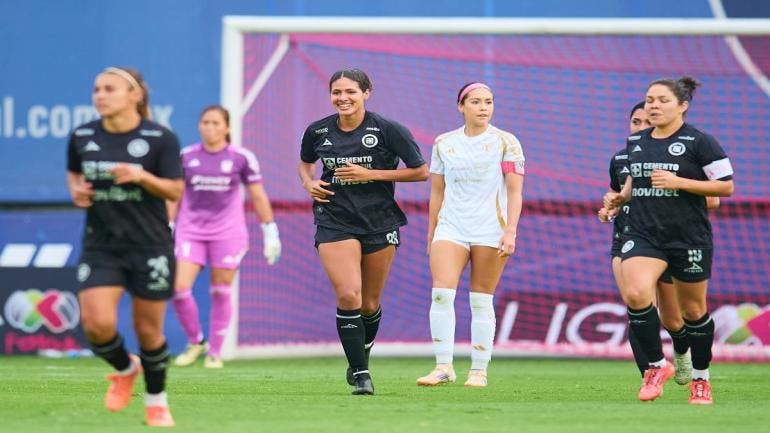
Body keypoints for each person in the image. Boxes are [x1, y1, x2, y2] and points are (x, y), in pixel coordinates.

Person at [298, 68, 429, 395]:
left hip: (380, 221)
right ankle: (361, 374)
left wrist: (371, 174)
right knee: (348, 295)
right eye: (337, 92)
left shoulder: (388, 130)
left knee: (369, 304)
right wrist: (308, 183)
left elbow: (421, 172)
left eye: (350, 92)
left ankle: (361, 352)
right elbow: (305, 163)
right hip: (334, 219)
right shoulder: (318, 131)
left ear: (366, 93)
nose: (343, 98)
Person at [604, 76, 734, 404]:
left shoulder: (700, 141)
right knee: (635, 293)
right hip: (644, 234)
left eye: (662, 100)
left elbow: (725, 187)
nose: (654, 106)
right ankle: (654, 366)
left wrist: (679, 181)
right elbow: (634, 182)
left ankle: (701, 380)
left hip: (688, 236)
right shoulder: (637, 143)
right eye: (650, 100)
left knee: (692, 311)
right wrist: (618, 200)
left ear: (682, 106)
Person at [66, 67, 183, 427]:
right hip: (102, 245)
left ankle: (156, 402)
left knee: (149, 332)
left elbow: (176, 191)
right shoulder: (82, 135)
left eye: (109, 89)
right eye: (96, 89)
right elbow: (75, 172)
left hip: (150, 245)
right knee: (96, 324)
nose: (100, 95)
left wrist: (142, 177)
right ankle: (124, 367)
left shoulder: (160, 137)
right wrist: (76, 190)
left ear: (134, 96)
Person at [416, 82, 524, 388]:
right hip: (451, 227)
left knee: (480, 299)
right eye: (475, 102)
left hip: (491, 229)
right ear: (461, 106)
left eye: (488, 101)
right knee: (441, 293)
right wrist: (431, 232)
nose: (483, 107)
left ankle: (478, 370)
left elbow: (515, 192)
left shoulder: (506, 142)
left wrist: (510, 230)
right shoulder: (443, 143)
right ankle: (443, 366)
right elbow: (437, 192)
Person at [168, 105, 281, 369]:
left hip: (227, 233)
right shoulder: (186, 156)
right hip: (191, 231)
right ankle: (196, 341)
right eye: (205, 122)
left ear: (227, 127)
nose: (210, 127)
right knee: (179, 288)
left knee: (220, 289)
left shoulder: (242, 157)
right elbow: (174, 194)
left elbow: (257, 195)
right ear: (199, 126)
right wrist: (169, 225)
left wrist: (270, 230)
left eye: (216, 123)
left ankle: (215, 353)